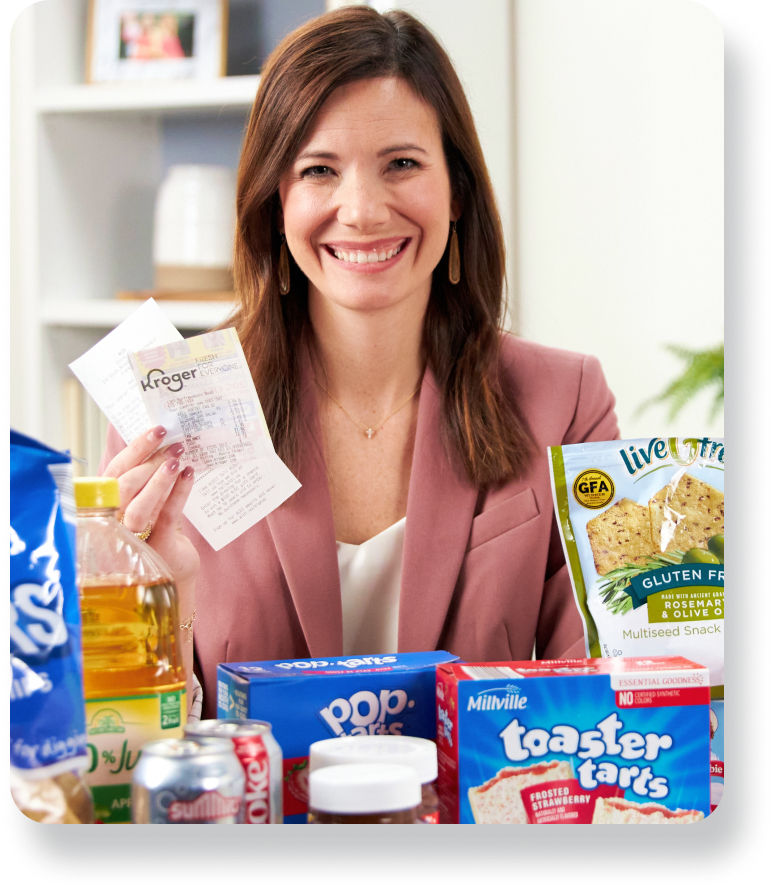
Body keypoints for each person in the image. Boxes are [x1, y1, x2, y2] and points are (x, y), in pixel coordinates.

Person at [100, 7, 619, 720]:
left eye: (401, 164)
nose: (363, 210)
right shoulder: (171, 403)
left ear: (457, 190)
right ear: (275, 202)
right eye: (319, 170)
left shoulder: (565, 398)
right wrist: (166, 592)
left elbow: (597, 704)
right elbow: (136, 750)